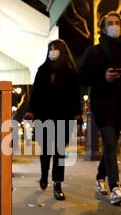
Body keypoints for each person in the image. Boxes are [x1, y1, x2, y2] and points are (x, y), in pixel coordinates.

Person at [77, 11, 121, 205]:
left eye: (117, 22)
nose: (114, 26)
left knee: (112, 145)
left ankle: (99, 177)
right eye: (110, 23)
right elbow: (82, 77)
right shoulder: (93, 52)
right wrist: (103, 77)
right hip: (102, 104)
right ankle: (115, 188)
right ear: (102, 28)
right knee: (110, 141)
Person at [25, 39, 82, 201]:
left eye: (56, 49)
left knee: (59, 152)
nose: (53, 51)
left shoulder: (70, 72)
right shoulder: (42, 70)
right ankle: (44, 175)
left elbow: (74, 96)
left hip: (63, 116)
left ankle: (57, 184)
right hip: (43, 116)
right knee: (45, 150)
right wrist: (30, 112)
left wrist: (77, 116)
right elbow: (34, 93)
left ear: (62, 51)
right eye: (51, 49)